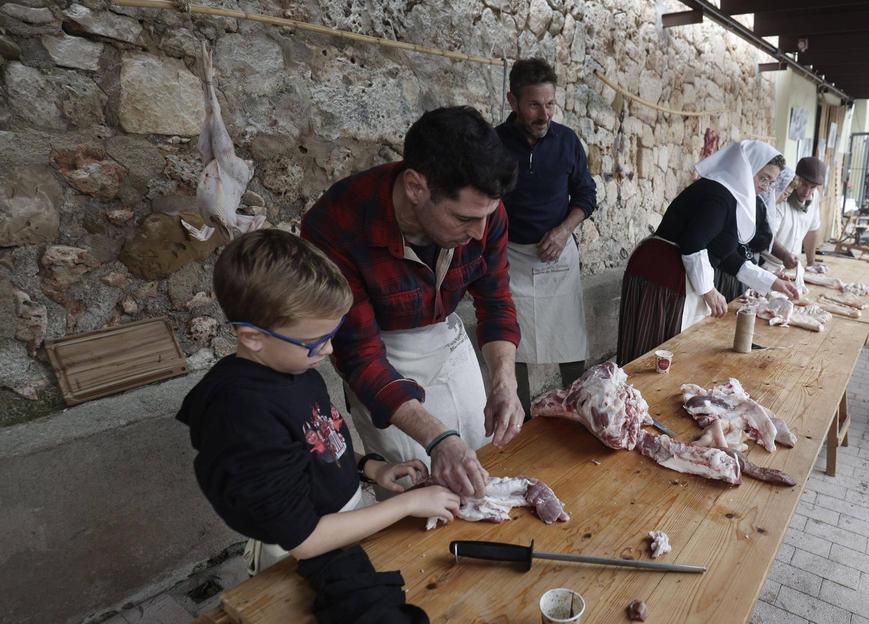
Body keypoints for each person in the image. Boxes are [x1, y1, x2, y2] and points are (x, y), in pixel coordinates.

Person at [178, 230, 459, 624]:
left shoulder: (290, 364)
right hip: (300, 557)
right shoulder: (241, 415)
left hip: (339, 522)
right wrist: (408, 504)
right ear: (252, 337)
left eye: (332, 335)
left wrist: (369, 468)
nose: (328, 350)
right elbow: (304, 540)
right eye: (315, 342)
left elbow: (316, 442)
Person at [301, 106, 522, 499]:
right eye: (463, 219)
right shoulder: (337, 223)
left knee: (483, 469)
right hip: (384, 355)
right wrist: (436, 437)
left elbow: (496, 300)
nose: (478, 232)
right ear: (416, 187)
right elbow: (359, 355)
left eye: (487, 217)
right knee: (416, 487)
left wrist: (504, 382)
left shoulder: (482, 206)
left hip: (448, 341)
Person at [616, 140, 801, 365]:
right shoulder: (718, 195)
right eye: (763, 178)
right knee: (654, 350)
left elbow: (727, 254)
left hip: (675, 271)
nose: (765, 187)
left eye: (771, 182)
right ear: (746, 168)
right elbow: (693, 243)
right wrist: (709, 291)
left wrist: (772, 283)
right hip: (662, 273)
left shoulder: (733, 196)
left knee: (668, 352)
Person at [494, 58, 597, 417]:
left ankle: (582, 411)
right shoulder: (494, 144)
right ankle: (519, 419)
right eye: (534, 104)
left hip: (557, 253)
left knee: (569, 340)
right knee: (513, 340)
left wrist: (563, 230)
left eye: (550, 104)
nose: (544, 114)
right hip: (511, 257)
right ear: (513, 101)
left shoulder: (567, 141)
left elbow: (586, 195)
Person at [762, 157, 826, 273]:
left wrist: (811, 262)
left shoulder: (815, 196)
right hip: (767, 264)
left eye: (812, 187)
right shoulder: (781, 197)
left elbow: (812, 229)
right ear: (796, 178)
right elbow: (768, 236)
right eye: (804, 184)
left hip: (791, 266)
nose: (807, 192)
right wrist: (785, 255)